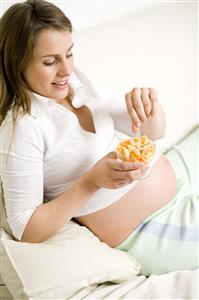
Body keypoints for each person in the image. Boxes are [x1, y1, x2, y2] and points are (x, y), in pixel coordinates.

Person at [0, 0, 198, 276]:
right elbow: (26, 229)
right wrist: (91, 182)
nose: (66, 70)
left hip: (176, 179)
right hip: (152, 227)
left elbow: (153, 132)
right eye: (50, 61)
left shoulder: (76, 83)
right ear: (16, 63)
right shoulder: (22, 127)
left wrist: (148, 105)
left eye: (69, 54)